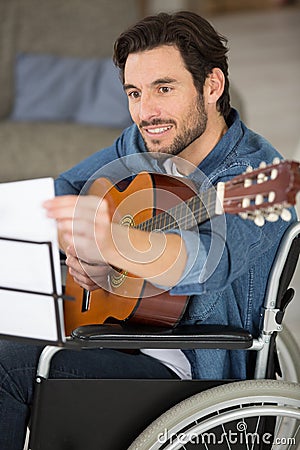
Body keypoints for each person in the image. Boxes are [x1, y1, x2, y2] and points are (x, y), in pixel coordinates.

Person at [0, 11, 295, 449]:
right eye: (134, 93)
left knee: (9, 367)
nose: (145, 112)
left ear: (211, 86)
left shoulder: (257, 178)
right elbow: (65, 191)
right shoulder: (144, 142)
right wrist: (82, 254)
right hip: (116, 333)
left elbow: (207, 264)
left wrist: (114, 243)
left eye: (164, 88)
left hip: (191, 378)